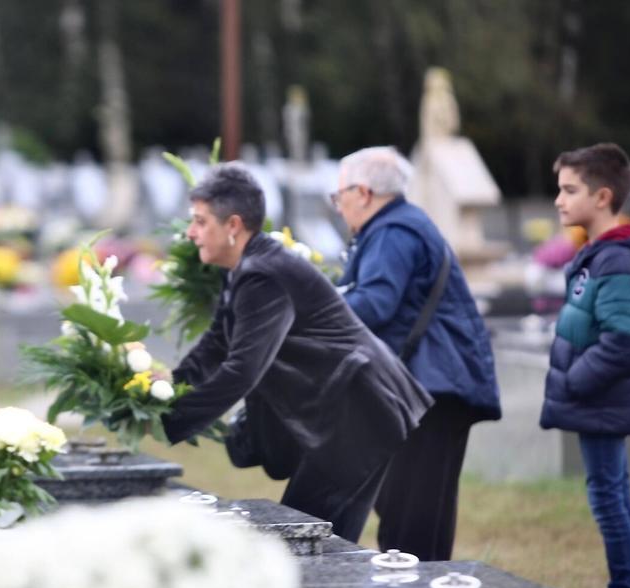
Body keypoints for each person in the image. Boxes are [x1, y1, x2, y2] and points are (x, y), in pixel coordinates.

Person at [161, 164, 432, 543]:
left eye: (200, 221)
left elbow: (242, 370)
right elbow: (216, 343)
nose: (191, 232)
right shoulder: (244, 267)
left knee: (306, 542)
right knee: (309, 541)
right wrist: (163, 390)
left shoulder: (262, 274)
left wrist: (169, 417)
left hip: (360, 410)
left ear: (233, 225)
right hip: (352, 409)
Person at [334, 146, 502, 561]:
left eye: (339, 196)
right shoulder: (397, 226)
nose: (338, 207)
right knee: (411, 510)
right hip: (432, 386)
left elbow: (375, 304)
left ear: (365, 192)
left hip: (430, 391)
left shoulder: (394, 232)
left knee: (412, 519)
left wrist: (311, 308)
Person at [539, 143, 630, 588]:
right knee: (612, 496)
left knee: (609, 499)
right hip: (597, 400)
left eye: (570, 190)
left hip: (600, 400)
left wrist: (572, 382)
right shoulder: (600, 255)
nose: (559, 201)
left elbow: (627, 341)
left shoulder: (615, 260)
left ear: (603, 195)